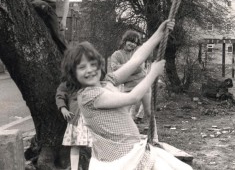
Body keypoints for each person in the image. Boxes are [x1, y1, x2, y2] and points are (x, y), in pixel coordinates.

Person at [60, 19, 193, 169]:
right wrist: (152, 74)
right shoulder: (87, 96)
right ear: (73, 74)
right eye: (82, 67)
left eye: (92, 64)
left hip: (130, 151)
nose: (89, 70)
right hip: (119, 160)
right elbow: (132, 98)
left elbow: (136, 60)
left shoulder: (106, 82)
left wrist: (159, 33)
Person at [110, 30, 151, 124]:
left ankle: (154, 135)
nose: (133, 44)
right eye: (131, 41)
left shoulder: (137, 52)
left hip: (141, 84)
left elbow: (139, 68)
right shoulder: (116, 55)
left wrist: (124, 70)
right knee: (124, 112)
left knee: (147, 111)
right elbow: (115, 70)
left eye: (135, 43)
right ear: (125, 40)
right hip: (128, 87)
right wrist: (132, 66)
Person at [56, 81, 92, 170]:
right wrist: (63, 108)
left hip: (90, 120)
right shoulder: (67, 84)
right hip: (76, 120)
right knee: (75, 146)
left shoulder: (90, 81)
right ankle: (74, 168)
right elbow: (59, 96)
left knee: (93, 146)